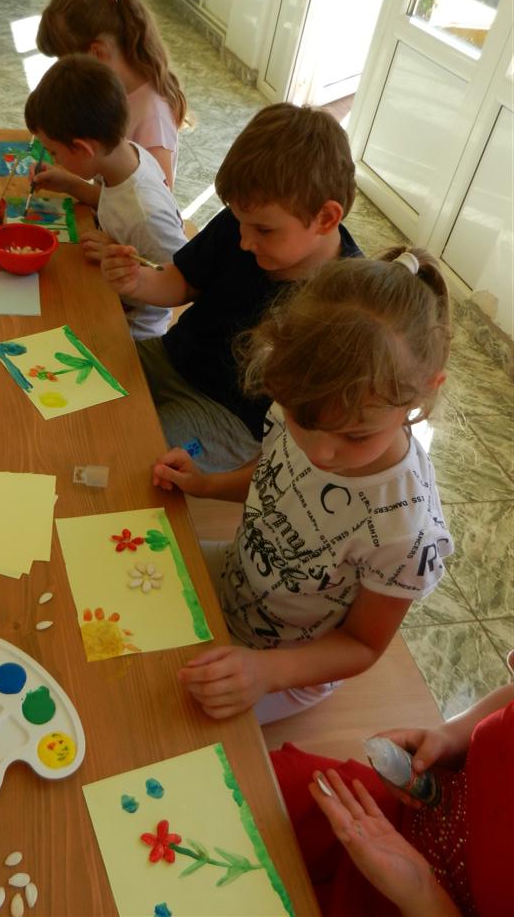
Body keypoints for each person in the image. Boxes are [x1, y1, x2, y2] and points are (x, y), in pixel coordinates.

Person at [151, 249, 454, 724]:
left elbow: (361, 645)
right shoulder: (304, 397)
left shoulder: (407, 532)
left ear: (426, 390)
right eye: (302, 422)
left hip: (287, 665)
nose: (321, 451)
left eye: (355, 436)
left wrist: (266, 672)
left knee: (166, 717)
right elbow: (271, 474)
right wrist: (206, 484)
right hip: (234, 575)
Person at [101, 103, 361, 472]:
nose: (245, 241)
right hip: (171, 359)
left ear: (326, 217)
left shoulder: (347, 301)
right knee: (75, 380)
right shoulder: (246, 221)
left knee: (127, 453)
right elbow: (184, 281)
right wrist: (138, 281)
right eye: (240, 221)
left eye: (264, 230)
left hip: (228, 419)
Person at [272, 676, 514, 916]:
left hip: (413, 901)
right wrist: (447, 738)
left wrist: (423, 895)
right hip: (385, 812)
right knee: (262, 793)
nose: (511, 658)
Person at [24, 54, 187, 340]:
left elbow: (182, 277)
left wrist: (120, 255)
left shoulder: (147, 214)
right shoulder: (126, 157)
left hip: (128, 331)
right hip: (103, 291)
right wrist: (72, 185)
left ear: (83, 149)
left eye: (53, 152)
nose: (53, 158)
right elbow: (115, 203)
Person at [36, 0, 187, 188]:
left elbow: (154, 202)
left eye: (67, 63)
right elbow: (113, 194)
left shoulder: (153, 118)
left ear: (96, 52)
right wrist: (70, 182)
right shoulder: (112, 91)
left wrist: (75, 187)